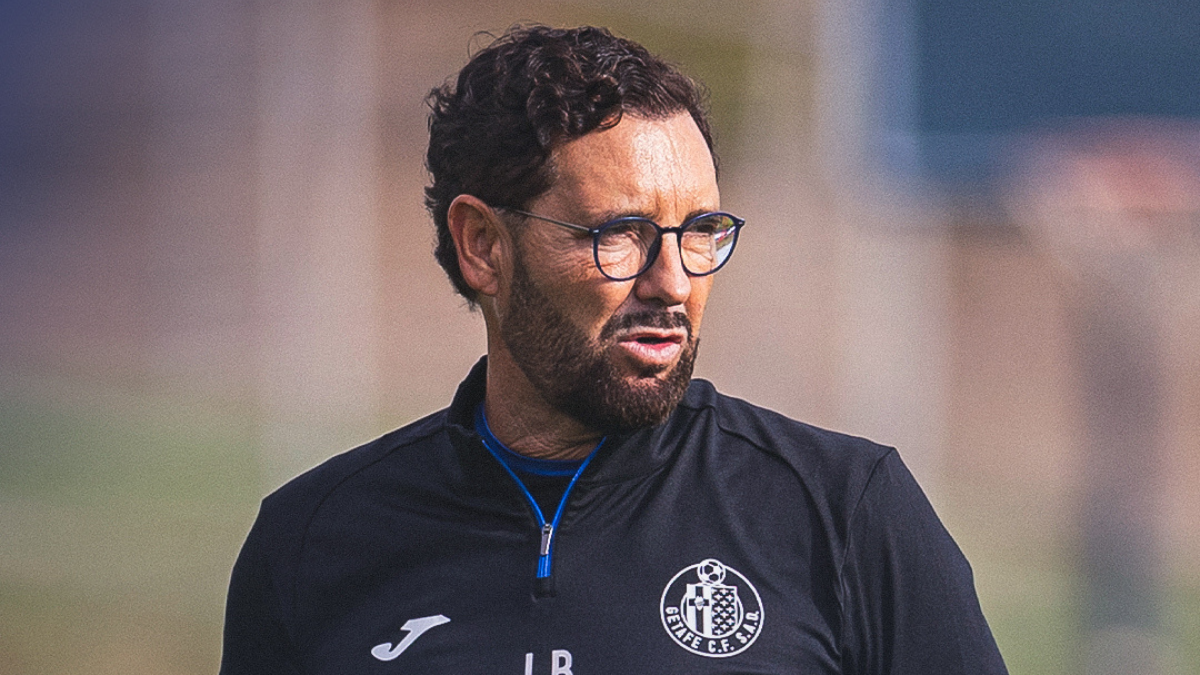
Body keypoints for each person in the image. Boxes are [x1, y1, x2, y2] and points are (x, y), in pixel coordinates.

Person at [220, 25, 1008, 674]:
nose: (673, 282)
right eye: (620, 235)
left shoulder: (845, 513)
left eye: (699, 232)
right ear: (484, 246)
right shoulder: (311, 543)